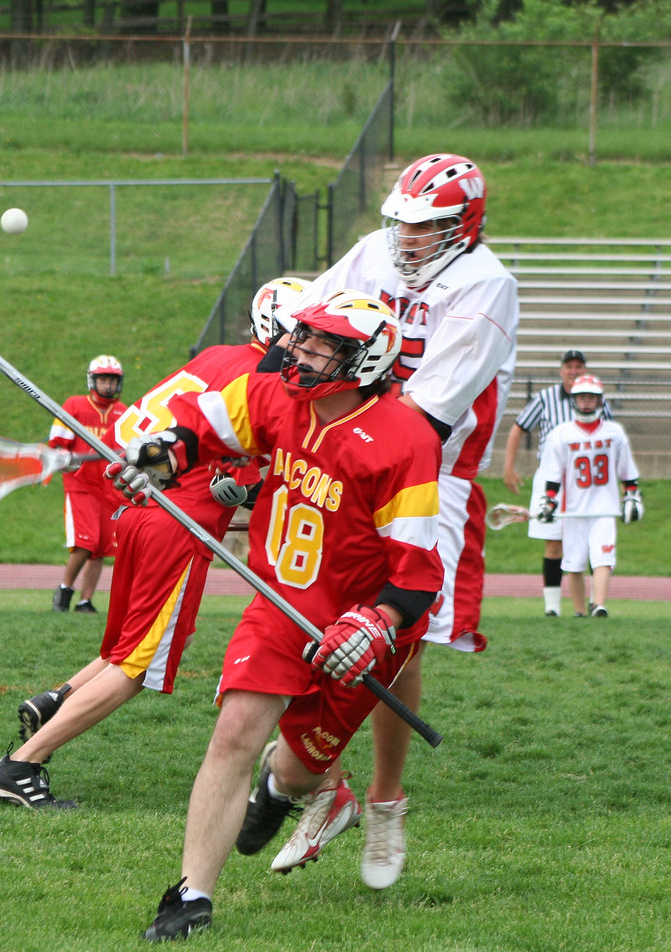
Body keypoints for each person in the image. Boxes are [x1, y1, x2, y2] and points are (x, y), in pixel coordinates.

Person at [109, 292, 444, 941]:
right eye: (304, 337)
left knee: (295, 768)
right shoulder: (276, 396)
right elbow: (200, 432)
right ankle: (191, 896)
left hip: (352, 625)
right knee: (233, 730)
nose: (301, 350)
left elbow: (417, 575)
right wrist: (159, 460)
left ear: (365, 359)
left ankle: (284, 787)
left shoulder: (406, 441)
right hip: (280, 605)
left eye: (322, 344)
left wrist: (374, 623)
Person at [274, 153, 519, 888]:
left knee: (397, 638)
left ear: (462, 226)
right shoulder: (370, 252)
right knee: (299, 611)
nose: (409, 239)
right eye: (404, 224)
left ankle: (383, 799)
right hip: (340, 447)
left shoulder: (487, 284)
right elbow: (299, 334)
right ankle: (324, 783)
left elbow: (424, 415)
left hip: (424, 470)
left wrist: (332, 446)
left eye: (428, 227)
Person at [0, 277, 311, 808]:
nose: (314, 351)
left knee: (120, 649)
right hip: (177, 522)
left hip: (138, 513)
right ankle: (22, 764)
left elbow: (140, 433)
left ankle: (57, 699)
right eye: (310, 338)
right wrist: (244, 491)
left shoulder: (215, 358)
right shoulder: (263, 380)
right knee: (139, 665)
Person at [502, 349, 613, 617]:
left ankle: (591, 602)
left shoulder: (598, 400)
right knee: (553, 542)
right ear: (561, 369)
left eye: (578, 366)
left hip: (585, 480)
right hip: (551, 475)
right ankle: (552, 607)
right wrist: (508, 467)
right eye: (569, 366)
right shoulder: (545, 398)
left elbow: (609, 437)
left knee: (587, 540)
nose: (573, 371)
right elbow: (518, 428)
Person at [534, 374, 641, 618]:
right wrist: (549, 500)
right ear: (573, 399)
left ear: (600, 400)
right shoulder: (561, 434)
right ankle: (580, 610)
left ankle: (599, 604)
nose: (586, 403)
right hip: (573, 508)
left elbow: (626, 470)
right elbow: (554, 474)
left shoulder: (614, 432)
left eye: (591, 397)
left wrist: (632, 494)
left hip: (604, 506)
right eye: (582, 397)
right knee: (574, 562)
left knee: (603, 556)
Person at [48, 355, 127, 614]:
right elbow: (58, 445)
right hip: (80, 485)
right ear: (92, 380)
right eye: (103, 379)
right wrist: (64, 458)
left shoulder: (122, 412)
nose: (107, 386)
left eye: (112, 380)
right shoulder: (75, 405)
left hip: (108, 487)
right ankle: (64, 590)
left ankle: (85, 601)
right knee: (86, 542)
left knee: (103, 546)